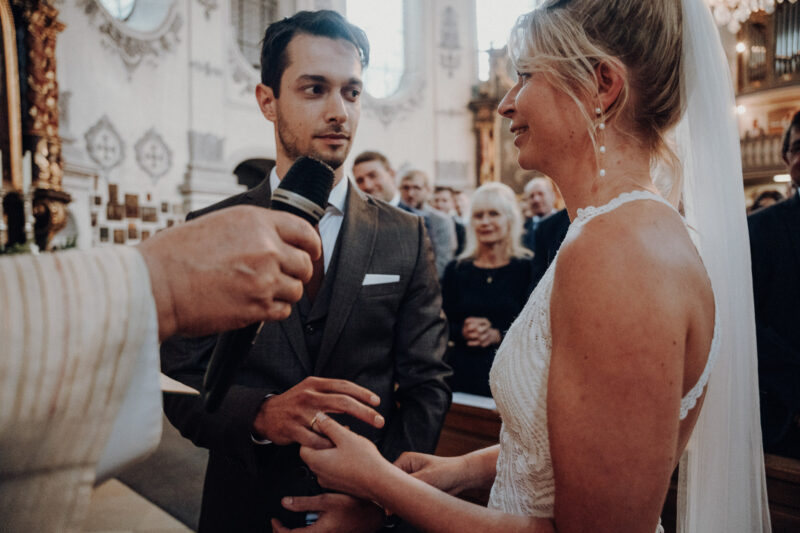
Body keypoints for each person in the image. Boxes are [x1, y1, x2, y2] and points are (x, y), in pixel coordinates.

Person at [295, 1, 770, 532]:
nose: (505, 104)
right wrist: (458, 471)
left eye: (524, 76)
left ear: (602, 86)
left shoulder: (621, 253)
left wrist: (381, 484)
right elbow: (589, 445)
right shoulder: (614, 231)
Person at [160, 11, 451, 533]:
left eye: (352, 92)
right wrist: (260, 413)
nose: (339, 112)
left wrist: (383, 496)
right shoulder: (212, 229)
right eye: (315, 89)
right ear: (267, 100)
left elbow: (427, 383)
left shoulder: (403, 234)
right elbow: (179, 382)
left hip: (364, 511)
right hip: (244, 507)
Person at [0, 205, 321, 532]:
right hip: (240, 500)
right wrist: (160, 285)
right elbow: (182, 378)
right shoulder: (216, 218)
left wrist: (361, 502)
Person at [441, 182, 534, 397]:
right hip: (462, 376)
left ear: (510, 219)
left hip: (513, 377)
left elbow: (536, 328)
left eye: (493, 214)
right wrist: (462, 331)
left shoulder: (527, 268)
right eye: (478, 215)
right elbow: (441, 323)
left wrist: (498, 335)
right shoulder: (456, 269)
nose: (485, 222)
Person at [748, 109, 800, 459]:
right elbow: (748, 321)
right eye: (799, 147)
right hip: (785, 415)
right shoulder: (760, 229)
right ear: (786, 159)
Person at [398, 169, 457, 277]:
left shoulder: (441, 221)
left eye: (416, 188)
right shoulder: (392, 218)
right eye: (406, 188)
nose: (410, 194)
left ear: (427, 190)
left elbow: (443, 261)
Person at [521, 176, 558, 252]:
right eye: (531, 196)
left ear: (552, 196)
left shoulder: (567, 222)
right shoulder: (523, 229)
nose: (536, 200)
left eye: (540, 194)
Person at [432, 186, 466, 256]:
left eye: (444, 201)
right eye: (436, 200)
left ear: (452, 203)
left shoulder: (460, 229)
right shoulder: (425, 224)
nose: (439, 205)